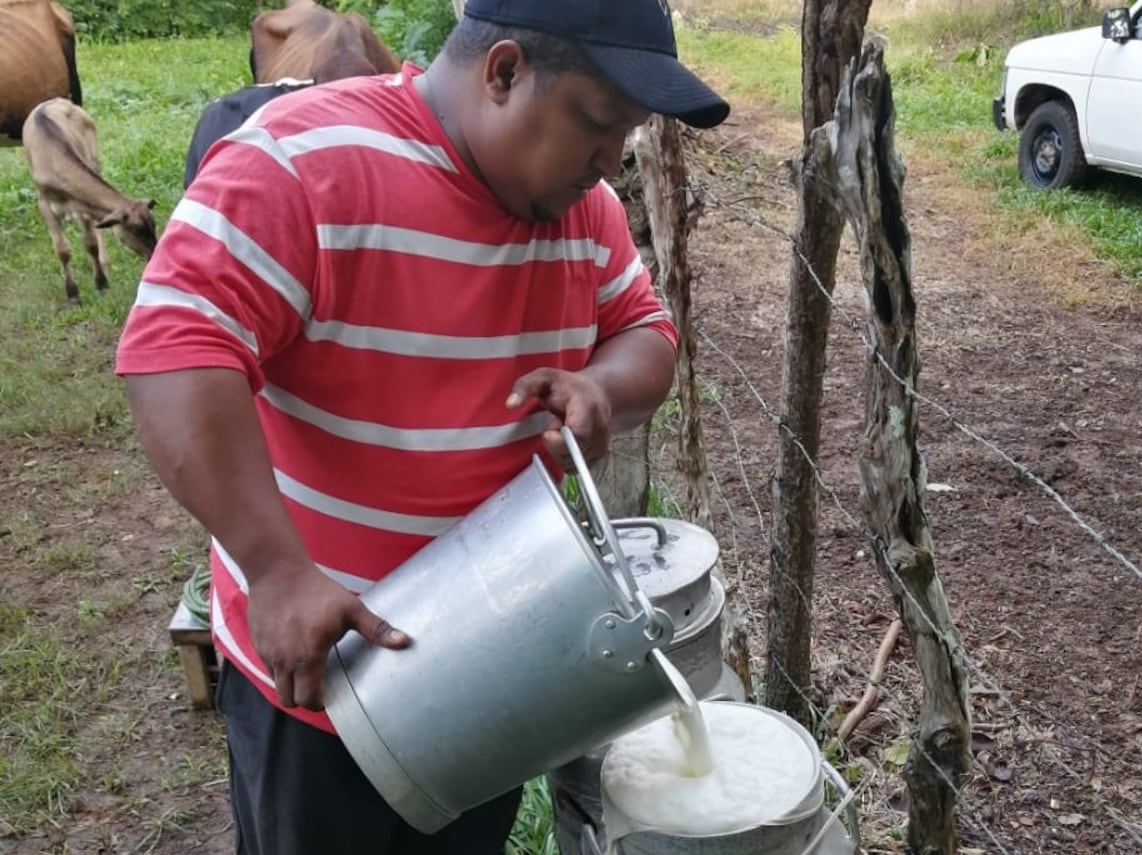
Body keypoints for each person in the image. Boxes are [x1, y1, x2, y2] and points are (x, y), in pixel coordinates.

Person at [115, 0, 729, 852]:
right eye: (596, 123)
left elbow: (645, 331)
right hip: (325, 682)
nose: (608, 162)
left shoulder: (584, 213)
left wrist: (601, 384)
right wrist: (277, 570)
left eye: (626, 134)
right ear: (504, 71)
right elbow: (175, 349)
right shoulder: (303, 161)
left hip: (493, 674)